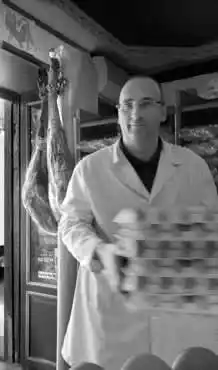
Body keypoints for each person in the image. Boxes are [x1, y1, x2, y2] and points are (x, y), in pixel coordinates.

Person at [58, 76, 218, 370]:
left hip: (176, 312)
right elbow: (70, 224)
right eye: (127, 105)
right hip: (110, 311)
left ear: (163, 112)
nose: (135, 113)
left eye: (146, 104)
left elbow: (211, 228)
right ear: (118, 113)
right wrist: (96, 251)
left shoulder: (192, 165)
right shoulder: (90, 169)